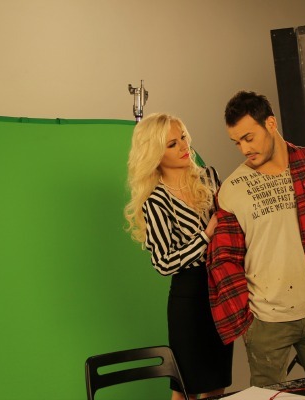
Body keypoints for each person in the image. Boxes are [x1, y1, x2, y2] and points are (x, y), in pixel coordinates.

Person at [206, 91, 305, 387]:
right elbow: (224, 260)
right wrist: (247, 319)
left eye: (249, 138)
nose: (244, 149)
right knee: (267, 397)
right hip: (266, 321)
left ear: (270, 123)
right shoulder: (232, 189)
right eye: (237, 142)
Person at [125, 113, 233, 400]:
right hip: (189, 297)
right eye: (172, 144)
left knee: (217, 385)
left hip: (222, 289)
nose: (184, 146)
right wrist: (206, 236)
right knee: (184, 388)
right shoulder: (155, 200)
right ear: (156, 153)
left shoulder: (209, 176)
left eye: (183, 137)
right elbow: (163, 262)